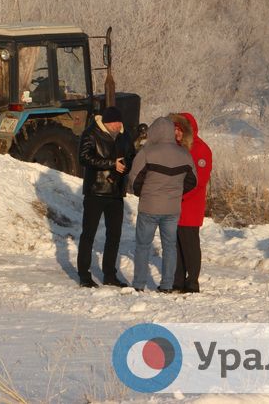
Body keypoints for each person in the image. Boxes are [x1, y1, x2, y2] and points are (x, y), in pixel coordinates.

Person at [129, 116, 197, 292]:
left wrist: (142, 193)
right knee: (169, 247)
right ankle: (167, 285)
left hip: (149, 206)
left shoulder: (147, 152)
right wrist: (176, 192)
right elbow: (193, 180)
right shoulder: (184, 154)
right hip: (172, 208)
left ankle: (139, 284)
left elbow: (134, 179)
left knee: (143, 246)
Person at [76, 106, 135, 288]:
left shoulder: (125, 135)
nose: (118, 126)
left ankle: (110, 274)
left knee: (114, 235)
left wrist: (123, 169)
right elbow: (84, 158)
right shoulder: (91, 133)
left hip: (116, 192)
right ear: (107, 122)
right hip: (96, 191)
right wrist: (111, 164)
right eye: (115, 122)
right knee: (89, 234)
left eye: (120, 122)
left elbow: (131, 156)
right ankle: (84, 276)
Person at [170, 112, 213, 293]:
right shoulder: (176, 148)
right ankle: (178, 281)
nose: (176, 133)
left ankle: (192, 282)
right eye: (175, 129)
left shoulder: (200, 149)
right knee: (177, 246)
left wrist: (179, 195)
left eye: (179, 129)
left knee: (190, 246)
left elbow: (200, 180)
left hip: (189, 206)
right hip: (175, 205)